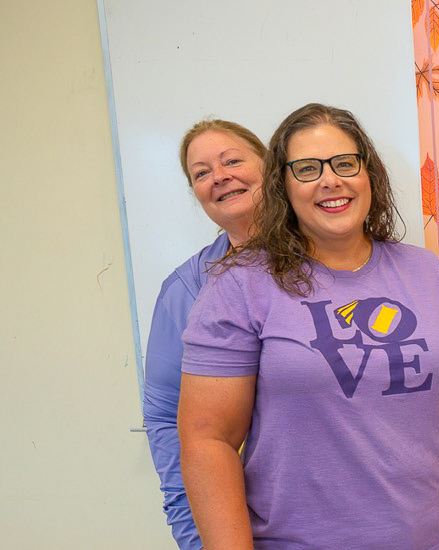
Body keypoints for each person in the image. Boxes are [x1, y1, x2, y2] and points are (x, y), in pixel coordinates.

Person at [177, 103, 439, 550]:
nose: (330, 180)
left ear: (368, 174)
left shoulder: (426, 272)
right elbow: (208, 439)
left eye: (344, 163)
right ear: (282, 185)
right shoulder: (240, 285)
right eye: (307, 168)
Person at [142, 119, 267, 549]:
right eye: (201, 172)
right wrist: (197, 537)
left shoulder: (334, 261)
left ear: (270, 167)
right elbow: (165, 419)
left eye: (233, 160)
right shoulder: (187, 290)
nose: (220, 176)